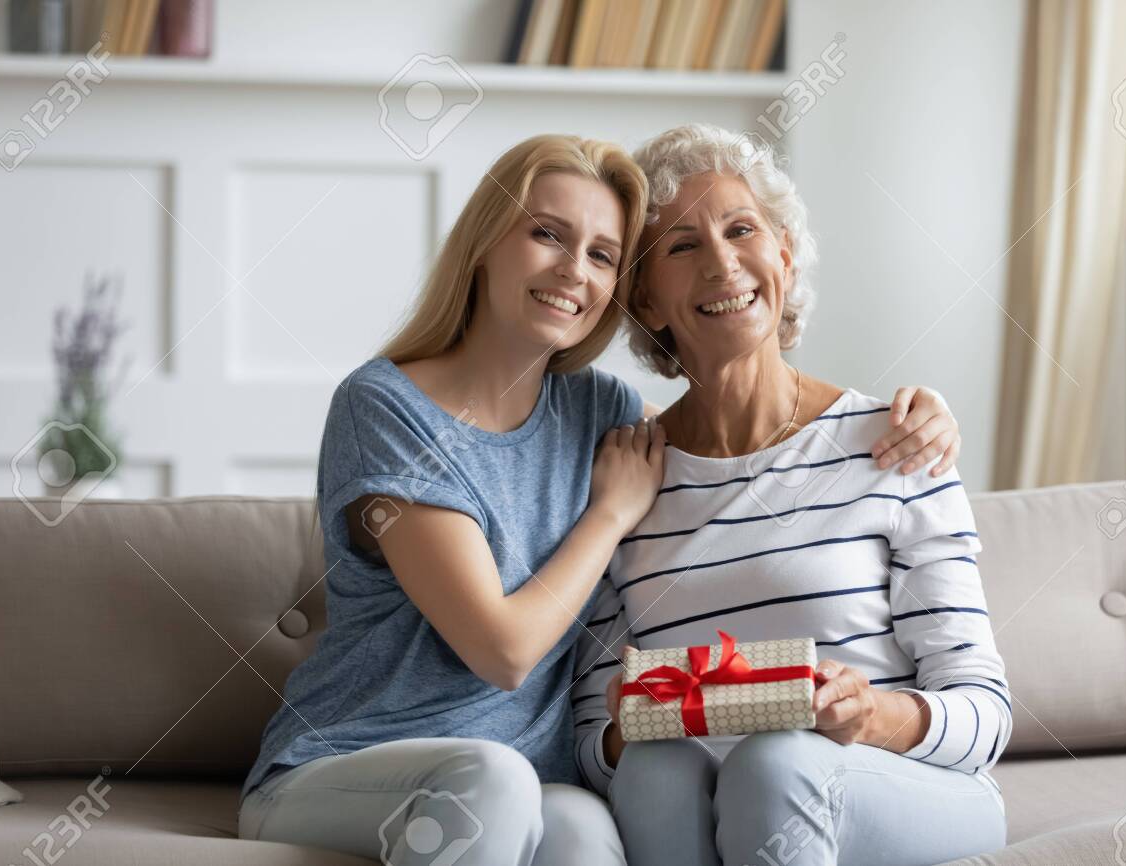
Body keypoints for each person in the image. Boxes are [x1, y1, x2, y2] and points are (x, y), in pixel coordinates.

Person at [237, 132, 965, 865]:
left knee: (585, 831)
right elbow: (503, 652)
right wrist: (609, 514)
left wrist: (919, 415)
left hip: (531, 780)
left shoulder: (598, 412)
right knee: (490, 782)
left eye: (602, 255)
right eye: (547, 235)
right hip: (356, 765)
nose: (573, 271)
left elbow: (730, 438)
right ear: (484, 243)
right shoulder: (386, 407)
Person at [572, 123, 1010, 866]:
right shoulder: (626, 478)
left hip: (900, 785)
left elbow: (985, 715)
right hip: (711, 801)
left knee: (776, 761)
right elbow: (590, 745)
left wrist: (870, 715)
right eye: (682, 246)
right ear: (645, 300)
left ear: (782, 253)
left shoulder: (896, 442)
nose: (721, 262)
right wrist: (624, 726)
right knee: (650, 769)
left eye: (742, 230)